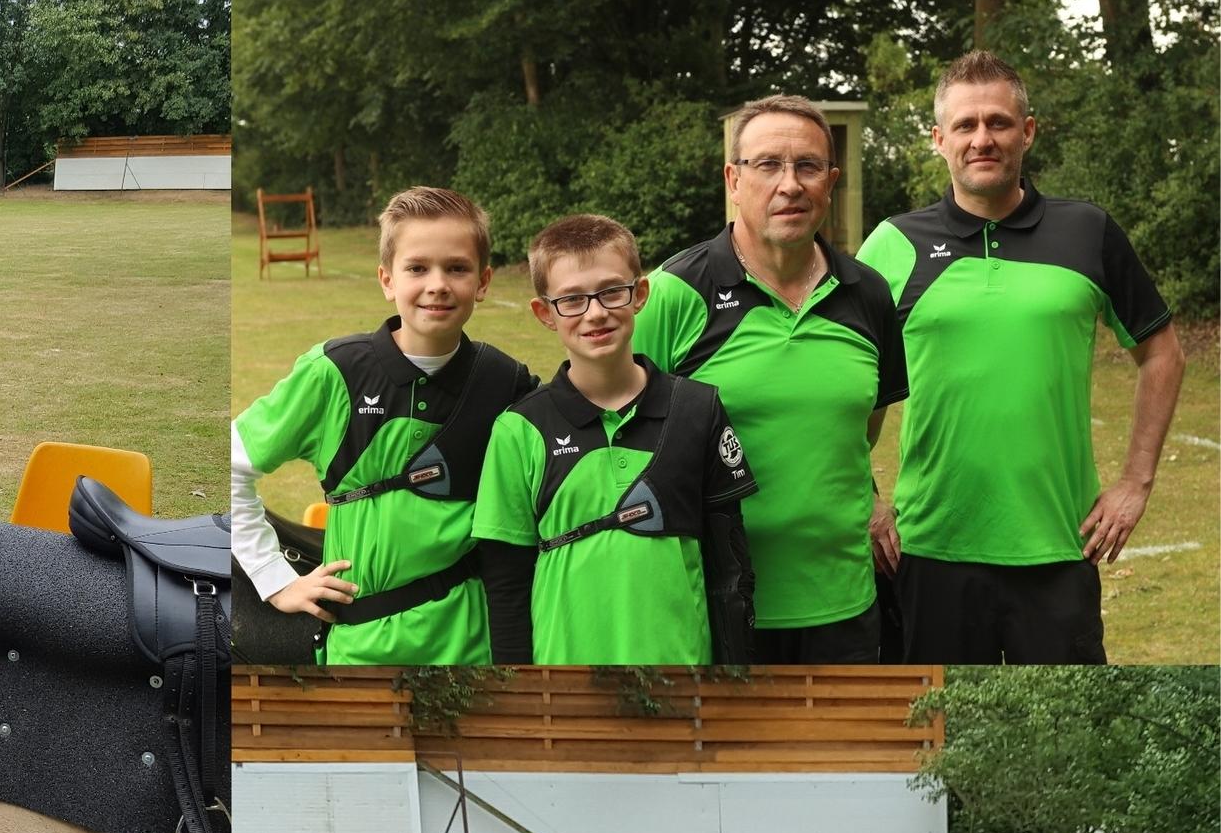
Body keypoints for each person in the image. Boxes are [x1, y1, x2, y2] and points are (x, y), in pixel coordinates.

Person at [857, 51, 1186, 663]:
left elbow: (1161, 353)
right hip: (929, 551)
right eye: (966, 125)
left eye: (999, 123)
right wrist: (866, 499)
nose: (983, 138)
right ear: (939, 139)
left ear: (1026, 132)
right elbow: (845, 386)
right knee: (938, 732)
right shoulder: (892, 243)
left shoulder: (1088, 231)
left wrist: (1136, 482)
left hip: (1060, 548)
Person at [633, 95, 906, 663]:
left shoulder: (869, 294)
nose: (790, 185)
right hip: (716, 606)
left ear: (830, 182)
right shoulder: (671, 295)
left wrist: (872, 499)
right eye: (768, 165)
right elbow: (621, 438)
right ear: (734, 180)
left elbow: (860, 430)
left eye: (808, 166)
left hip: (845, 605)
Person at [230, 186, 536, 664]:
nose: (438, 284)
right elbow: (233, 462)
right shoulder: (333, 373)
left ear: (483, 281)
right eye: (417, 268)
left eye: (457, 267)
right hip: (360, 646)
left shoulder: (506, 383)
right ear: (387, 280)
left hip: (473, 644)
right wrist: (273, 577)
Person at [474, 214, 758, 664]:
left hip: (681, 675)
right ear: (544, 313)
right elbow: (506, 584)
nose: (596, 312)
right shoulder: (518, 429)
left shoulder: (697, 410)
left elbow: (731, 569)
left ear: (640, 294)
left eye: (612, 291)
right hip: (565, 686)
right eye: (571, 299)